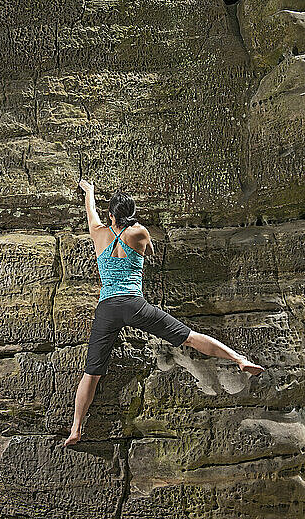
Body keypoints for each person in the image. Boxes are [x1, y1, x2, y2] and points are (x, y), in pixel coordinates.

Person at [63, 180, 265, 446]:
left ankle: (76, 428)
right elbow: (143, 244)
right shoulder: (139, 233)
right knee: (189, 337)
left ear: (111, 214)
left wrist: (89, 193)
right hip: (134, 305)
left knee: (92, 373)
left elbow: (92, 215)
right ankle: (239, 359)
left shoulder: (99, 234)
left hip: (108, 308)